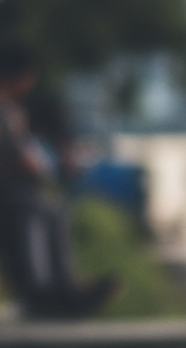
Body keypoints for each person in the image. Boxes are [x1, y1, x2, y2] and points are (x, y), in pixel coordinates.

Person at [0, 41, 115, 319]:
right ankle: (43, 288)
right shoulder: (6, 111)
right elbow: (21, 159)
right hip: (11, 193)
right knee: (40, 207)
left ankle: (60, 285)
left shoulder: (12, 110)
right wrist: (47, 167)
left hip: (14, 191)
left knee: (49, 206)